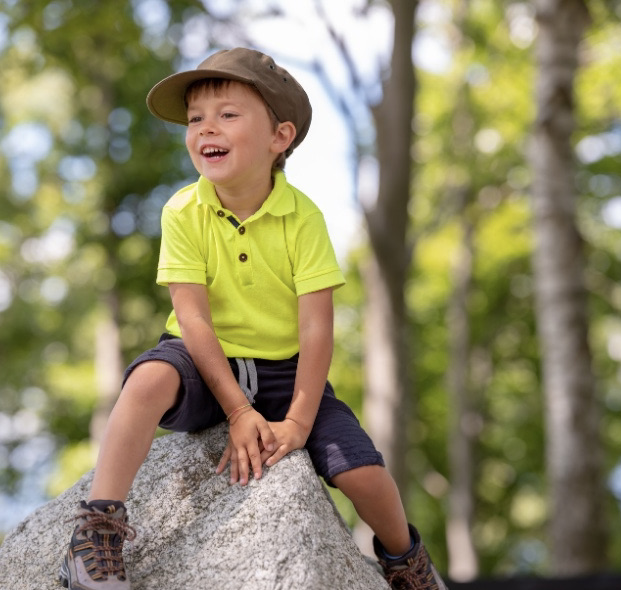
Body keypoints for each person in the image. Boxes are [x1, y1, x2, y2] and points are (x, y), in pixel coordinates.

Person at [59, 47, 448, 590]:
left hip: (287, 371)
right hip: (202, 356)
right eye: (196, 119)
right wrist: (237, 409)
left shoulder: (303, 218)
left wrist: (298, 421)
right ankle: (97, 528)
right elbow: (192, 319)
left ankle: (406, 561)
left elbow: (316, 328)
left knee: (360, 469)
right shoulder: (182, 211)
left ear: (279, 137)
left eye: (227, 114)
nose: (205, 128)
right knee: (146, 378)